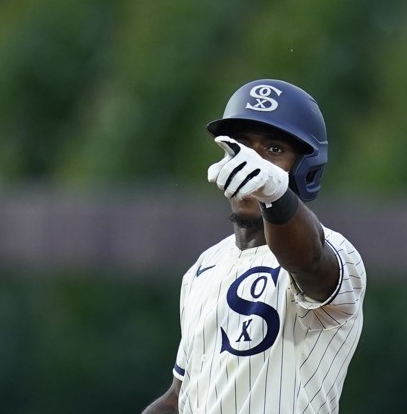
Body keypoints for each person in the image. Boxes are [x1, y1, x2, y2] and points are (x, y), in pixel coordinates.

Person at [143, 79, 366, 413]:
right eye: (242, 146)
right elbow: (181, 396)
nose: (253, 161)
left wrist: (275, 193)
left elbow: (309, 262)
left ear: (306, 169)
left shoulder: (335, 250)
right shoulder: (205, 266)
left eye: (274, 150)